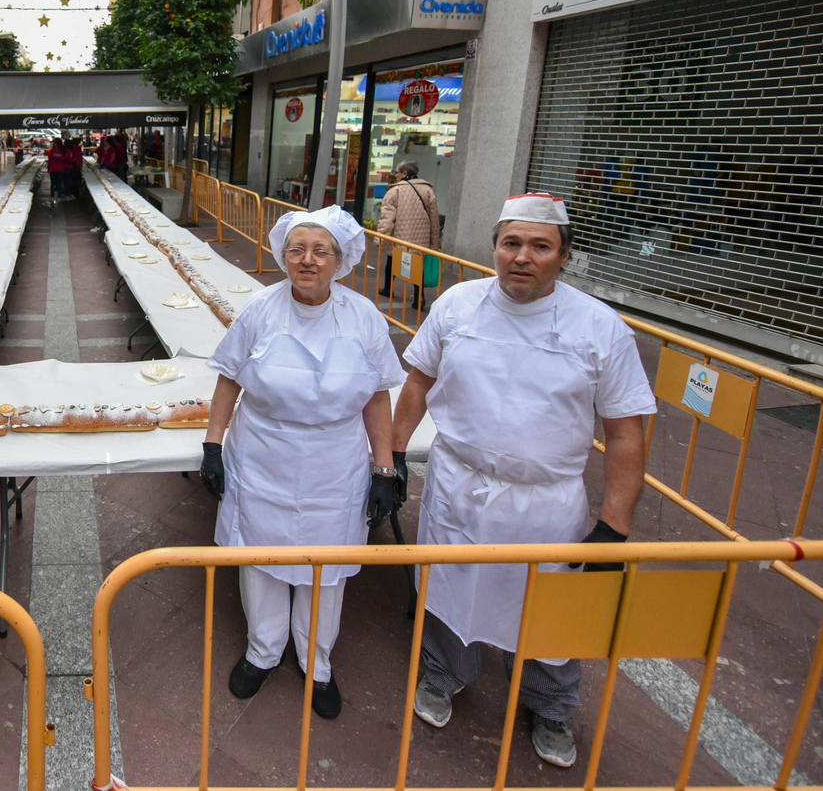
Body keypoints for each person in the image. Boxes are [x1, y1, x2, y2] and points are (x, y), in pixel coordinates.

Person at [389, 193, 655, 769]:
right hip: (457, 487)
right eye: (511, 243)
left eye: (540, 246)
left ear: (564, 256)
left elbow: (626, 434)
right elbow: (416, 385)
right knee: (448, 592)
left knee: (549, 608)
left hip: (545, 503)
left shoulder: (600, 328)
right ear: (495, 248)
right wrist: (389, 459)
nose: (522, 257)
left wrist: (615, 525)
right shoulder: (457, 305)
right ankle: (441, 676)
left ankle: (551, 705)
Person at [199, 206, 406, 720]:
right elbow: (230, 377)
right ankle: (262, 651)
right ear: (282, 255)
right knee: (259, 559)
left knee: (326, 567)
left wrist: (385, 467)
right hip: (263, 452)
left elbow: (377, 395)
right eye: (297, 249)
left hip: (335, 462)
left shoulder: (363, 317)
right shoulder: (260, 310)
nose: (307, 260)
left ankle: (318, 664)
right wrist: (212, 444)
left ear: (341, 261)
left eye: (321, 251)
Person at [377, 161, 442, 311]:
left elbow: (387, 218)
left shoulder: (395, 191)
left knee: (392, 261)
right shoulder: (428, 191)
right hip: (421, 240)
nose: (396, 175)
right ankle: (419, 297)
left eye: (397, 172)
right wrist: (434, 242)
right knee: (418, 266)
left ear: (405, 174)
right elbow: (434, 219)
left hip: (399, 237)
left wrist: (380, 237)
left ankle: (388, 288)